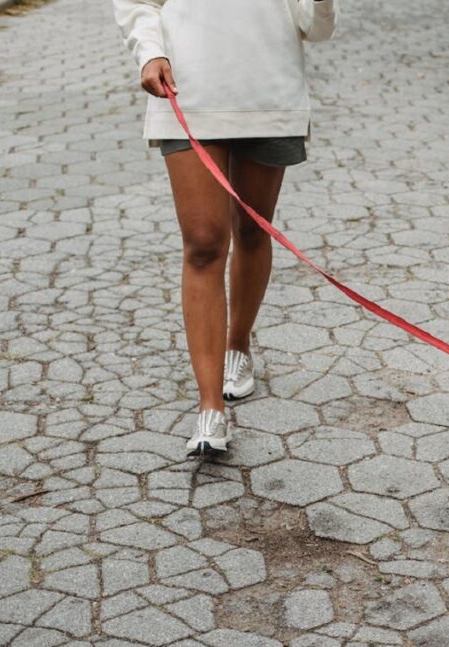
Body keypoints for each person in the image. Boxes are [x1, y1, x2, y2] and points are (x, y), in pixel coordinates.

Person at [113, 0, 338, 456]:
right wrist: (150, 50)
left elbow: (315, 27)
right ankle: (210, 408)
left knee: (254, 231)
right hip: (185, 87)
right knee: (202, 244)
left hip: (269, 92)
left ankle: (238, 347)